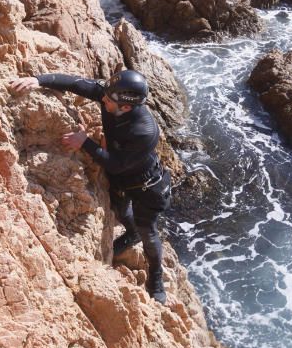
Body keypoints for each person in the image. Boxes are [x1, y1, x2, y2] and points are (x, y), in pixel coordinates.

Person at [10, 69, 171, 304]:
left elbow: (115, 165)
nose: (102, 98)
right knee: (120, 210)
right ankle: (131, 231)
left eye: (107, 99)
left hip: (146, 185)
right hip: (121, 175)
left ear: (126, 107)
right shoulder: (113, 96)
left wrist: (84, 142)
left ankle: (156, 275)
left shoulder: (144, 132)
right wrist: (38, 80)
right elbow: (77, 84)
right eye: (104, 94)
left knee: (148, 230)